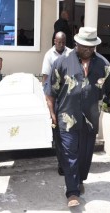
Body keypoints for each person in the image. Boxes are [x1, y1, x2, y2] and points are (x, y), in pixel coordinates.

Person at [44, 27, 110, 207]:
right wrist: (52, 114)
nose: (88, 49)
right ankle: (72, 193)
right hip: (66, 119)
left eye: (91, 46)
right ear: (77, 43)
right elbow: (50, 92)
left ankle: (79, 181)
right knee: (69, 154)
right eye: (84, 45)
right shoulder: (62, 62)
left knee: (85, 155)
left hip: (90, 120)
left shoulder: (104, 65)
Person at [41, 31, 72, 176]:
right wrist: (48, 101)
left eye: (63, 42)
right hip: (56, 98)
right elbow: (45, 78)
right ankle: (61, 163)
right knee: (58, 134)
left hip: (70, 98)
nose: (60, 45)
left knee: (70, 133)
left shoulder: (71, 53)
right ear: (54, 41)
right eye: (58, 42)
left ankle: (70, 161)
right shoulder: (49, 55)